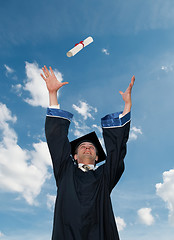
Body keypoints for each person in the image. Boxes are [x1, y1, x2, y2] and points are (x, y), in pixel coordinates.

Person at [41, 65, 135, 240]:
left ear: (97, 157)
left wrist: (127, 105)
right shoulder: (65, 171)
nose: (87, 147)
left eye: (91, 147)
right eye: (82, 146)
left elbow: (118, 152)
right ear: (74, 156)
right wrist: (52, 95)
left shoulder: (104, 176)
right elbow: (56, 140)